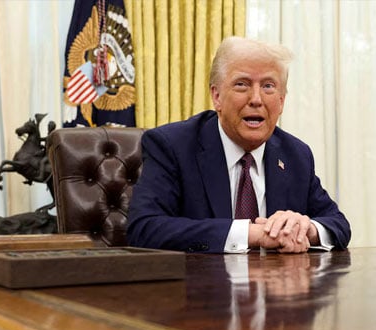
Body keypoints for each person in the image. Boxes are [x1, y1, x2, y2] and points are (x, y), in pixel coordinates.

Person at [126, 36, 350, 253]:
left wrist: (305, 229)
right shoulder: (173, 145)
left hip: (278, 287)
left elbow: (338, 225)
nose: (256, 99)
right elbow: (144, 229)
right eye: (242, 85)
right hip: (202, 287)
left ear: (281, 101)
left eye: (268, 86)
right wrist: (253, 234)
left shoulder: (296, 155)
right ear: (217, 96)